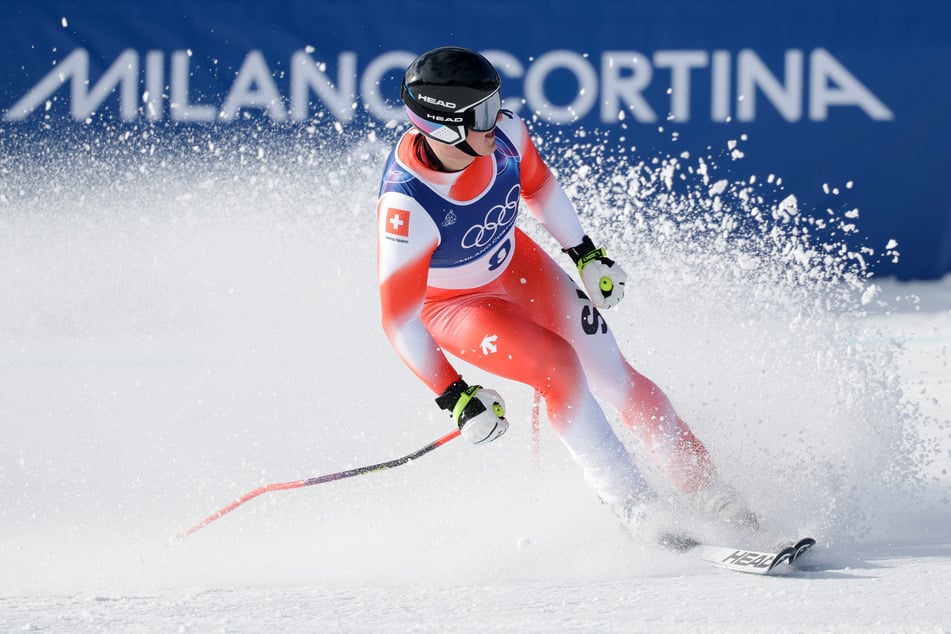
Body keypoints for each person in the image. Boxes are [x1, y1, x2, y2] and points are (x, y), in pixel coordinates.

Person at [375, 46, 757, 542]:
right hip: (455, 307)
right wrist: (455, 396)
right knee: (560, 368)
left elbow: (538, 187)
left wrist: (584, 253)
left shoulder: (506, 135)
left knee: (613, 371)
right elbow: (398, 320)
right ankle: (634, 507)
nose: (499, 117)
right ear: (445, 127)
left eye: (497, 100)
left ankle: (708, 489)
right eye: (483, 112)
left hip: (515, 263)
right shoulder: (407, 206)